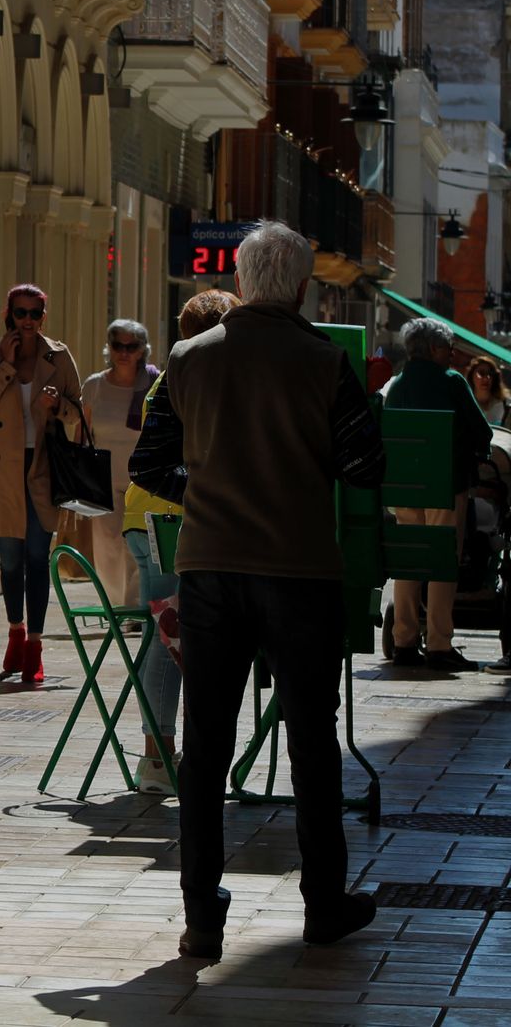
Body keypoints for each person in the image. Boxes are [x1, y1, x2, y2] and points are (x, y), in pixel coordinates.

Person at [129, 220, 385, 960]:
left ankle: (200, 914)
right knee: (311, 739)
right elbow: (365, 464)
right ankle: (323, 903)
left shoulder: (187, 357)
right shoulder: (322, 359)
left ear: (241, 281)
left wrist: (206, 487)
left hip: (210, 570)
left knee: (207, 742)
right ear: (302, 286)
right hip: (300, 569)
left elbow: (150, 465)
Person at [121, 290, 239, 796]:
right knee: (169, 639)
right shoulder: (195, 377)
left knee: (165, 637)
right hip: (169, 519)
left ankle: (160, 753)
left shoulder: (176, 374)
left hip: (148, 514)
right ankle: (158, 756)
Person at [0, 284, 84, 683]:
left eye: (35, 314)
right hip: (3, 470)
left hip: (42, 467)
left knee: (36, 557)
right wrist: (6, 367)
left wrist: (57, 406)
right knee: (10, 559)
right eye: (20, 313)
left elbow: (78, 414)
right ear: (8, 315)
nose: (28, 321)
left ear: (43, 317)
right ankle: (15, 632)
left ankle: (35, 644)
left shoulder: (59, 356)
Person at [385, 318, 491, 671]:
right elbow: (482, 432)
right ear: (433, 349)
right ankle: (439, 645)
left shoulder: (397, 385)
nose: (453, 354)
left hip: (405, 487)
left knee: (409, 564)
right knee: (443, 563)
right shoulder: (452, 382)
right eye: (448, 348)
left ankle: (403, 642)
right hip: (445, 486)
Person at [80, 320, 158, 607]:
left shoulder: (153, 384)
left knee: (136, 545)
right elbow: (83, 434)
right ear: (109, 349)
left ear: (142, 351)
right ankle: (115, 607)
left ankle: (136, 605)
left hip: (144, 481)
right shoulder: (95, 386)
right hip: (103, 480)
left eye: (131, 346)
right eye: (118, 346)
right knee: (108, 547)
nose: (124, 352)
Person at [463, 355, 508, 425]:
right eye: (481, 373)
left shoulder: (504, 403)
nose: (486, 378)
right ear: (471, 376)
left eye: (490, 374)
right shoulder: (465, 403)